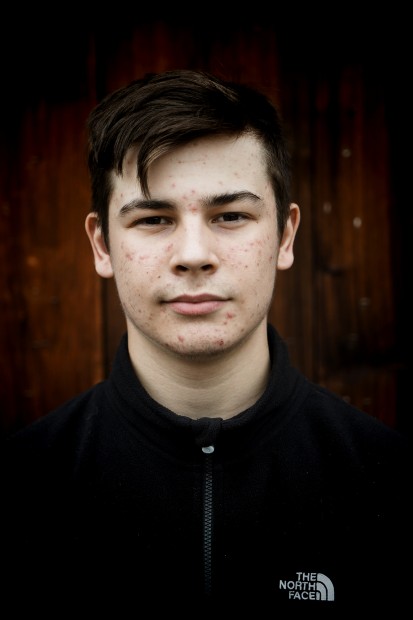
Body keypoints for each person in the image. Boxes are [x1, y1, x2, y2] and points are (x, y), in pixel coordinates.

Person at [2, 69, 410, 616]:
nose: (194, 255)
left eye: (231, 215)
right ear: (102, 246)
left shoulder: (390, 483)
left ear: (285, 236)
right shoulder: (20, 488)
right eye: (154, 219)